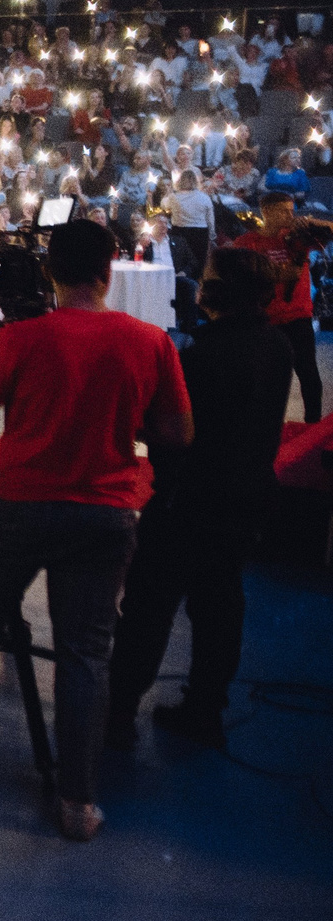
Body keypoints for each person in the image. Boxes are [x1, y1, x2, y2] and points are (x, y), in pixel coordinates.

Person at [0, 219, 192, 843]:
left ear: (52, 271)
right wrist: (116, 423)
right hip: (107, 513)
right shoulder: (150, 341)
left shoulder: (23, 337)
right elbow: (176, 434)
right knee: (86, 655)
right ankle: (77, 802)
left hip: (20, 505)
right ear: (108, 270)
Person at [108, 249, 294, 749]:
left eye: (208, 280)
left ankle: (119, 712)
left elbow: (176, 432)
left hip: (188, 501)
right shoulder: (277, 345)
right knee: (220, 606)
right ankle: (205, 709)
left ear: (220, 291)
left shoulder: (202, 355)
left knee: (149, 607)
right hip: (246, 495)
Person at [230, 191, 323, 424]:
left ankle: (314, 425)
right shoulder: (248, 243)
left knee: (309, 374)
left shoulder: (298, 236)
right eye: (284, 210)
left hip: (298, 315)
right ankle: (267, 429)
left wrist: (310, 222)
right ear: (267, 212)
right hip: (266, 319)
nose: (290, 215)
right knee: (268, 380)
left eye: (292, 210)